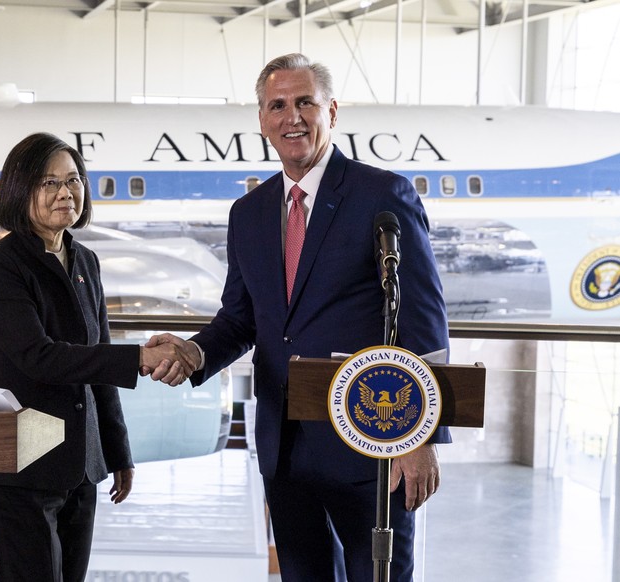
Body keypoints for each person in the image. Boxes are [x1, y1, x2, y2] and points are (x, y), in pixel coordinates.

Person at [145, 53, 451, 582]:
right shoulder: (250, 213)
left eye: (305, 102)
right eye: (278, 106)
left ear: (331, 111)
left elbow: (421, 320)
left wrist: (418, 436)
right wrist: (194, 352)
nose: (293, 117)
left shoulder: (382, 194)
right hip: (285, 449)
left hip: (370, 443)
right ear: (262, 122)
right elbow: (242, 319)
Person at [0, 132, 195, 582]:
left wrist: (118, 454)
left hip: (79, 466)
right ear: (20, 190)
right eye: (48, 183)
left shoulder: (85, 261)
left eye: (73, 180)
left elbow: (97, 363)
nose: (64, 192)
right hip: (21, 467)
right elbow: (40, 358)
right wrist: (139, 359)